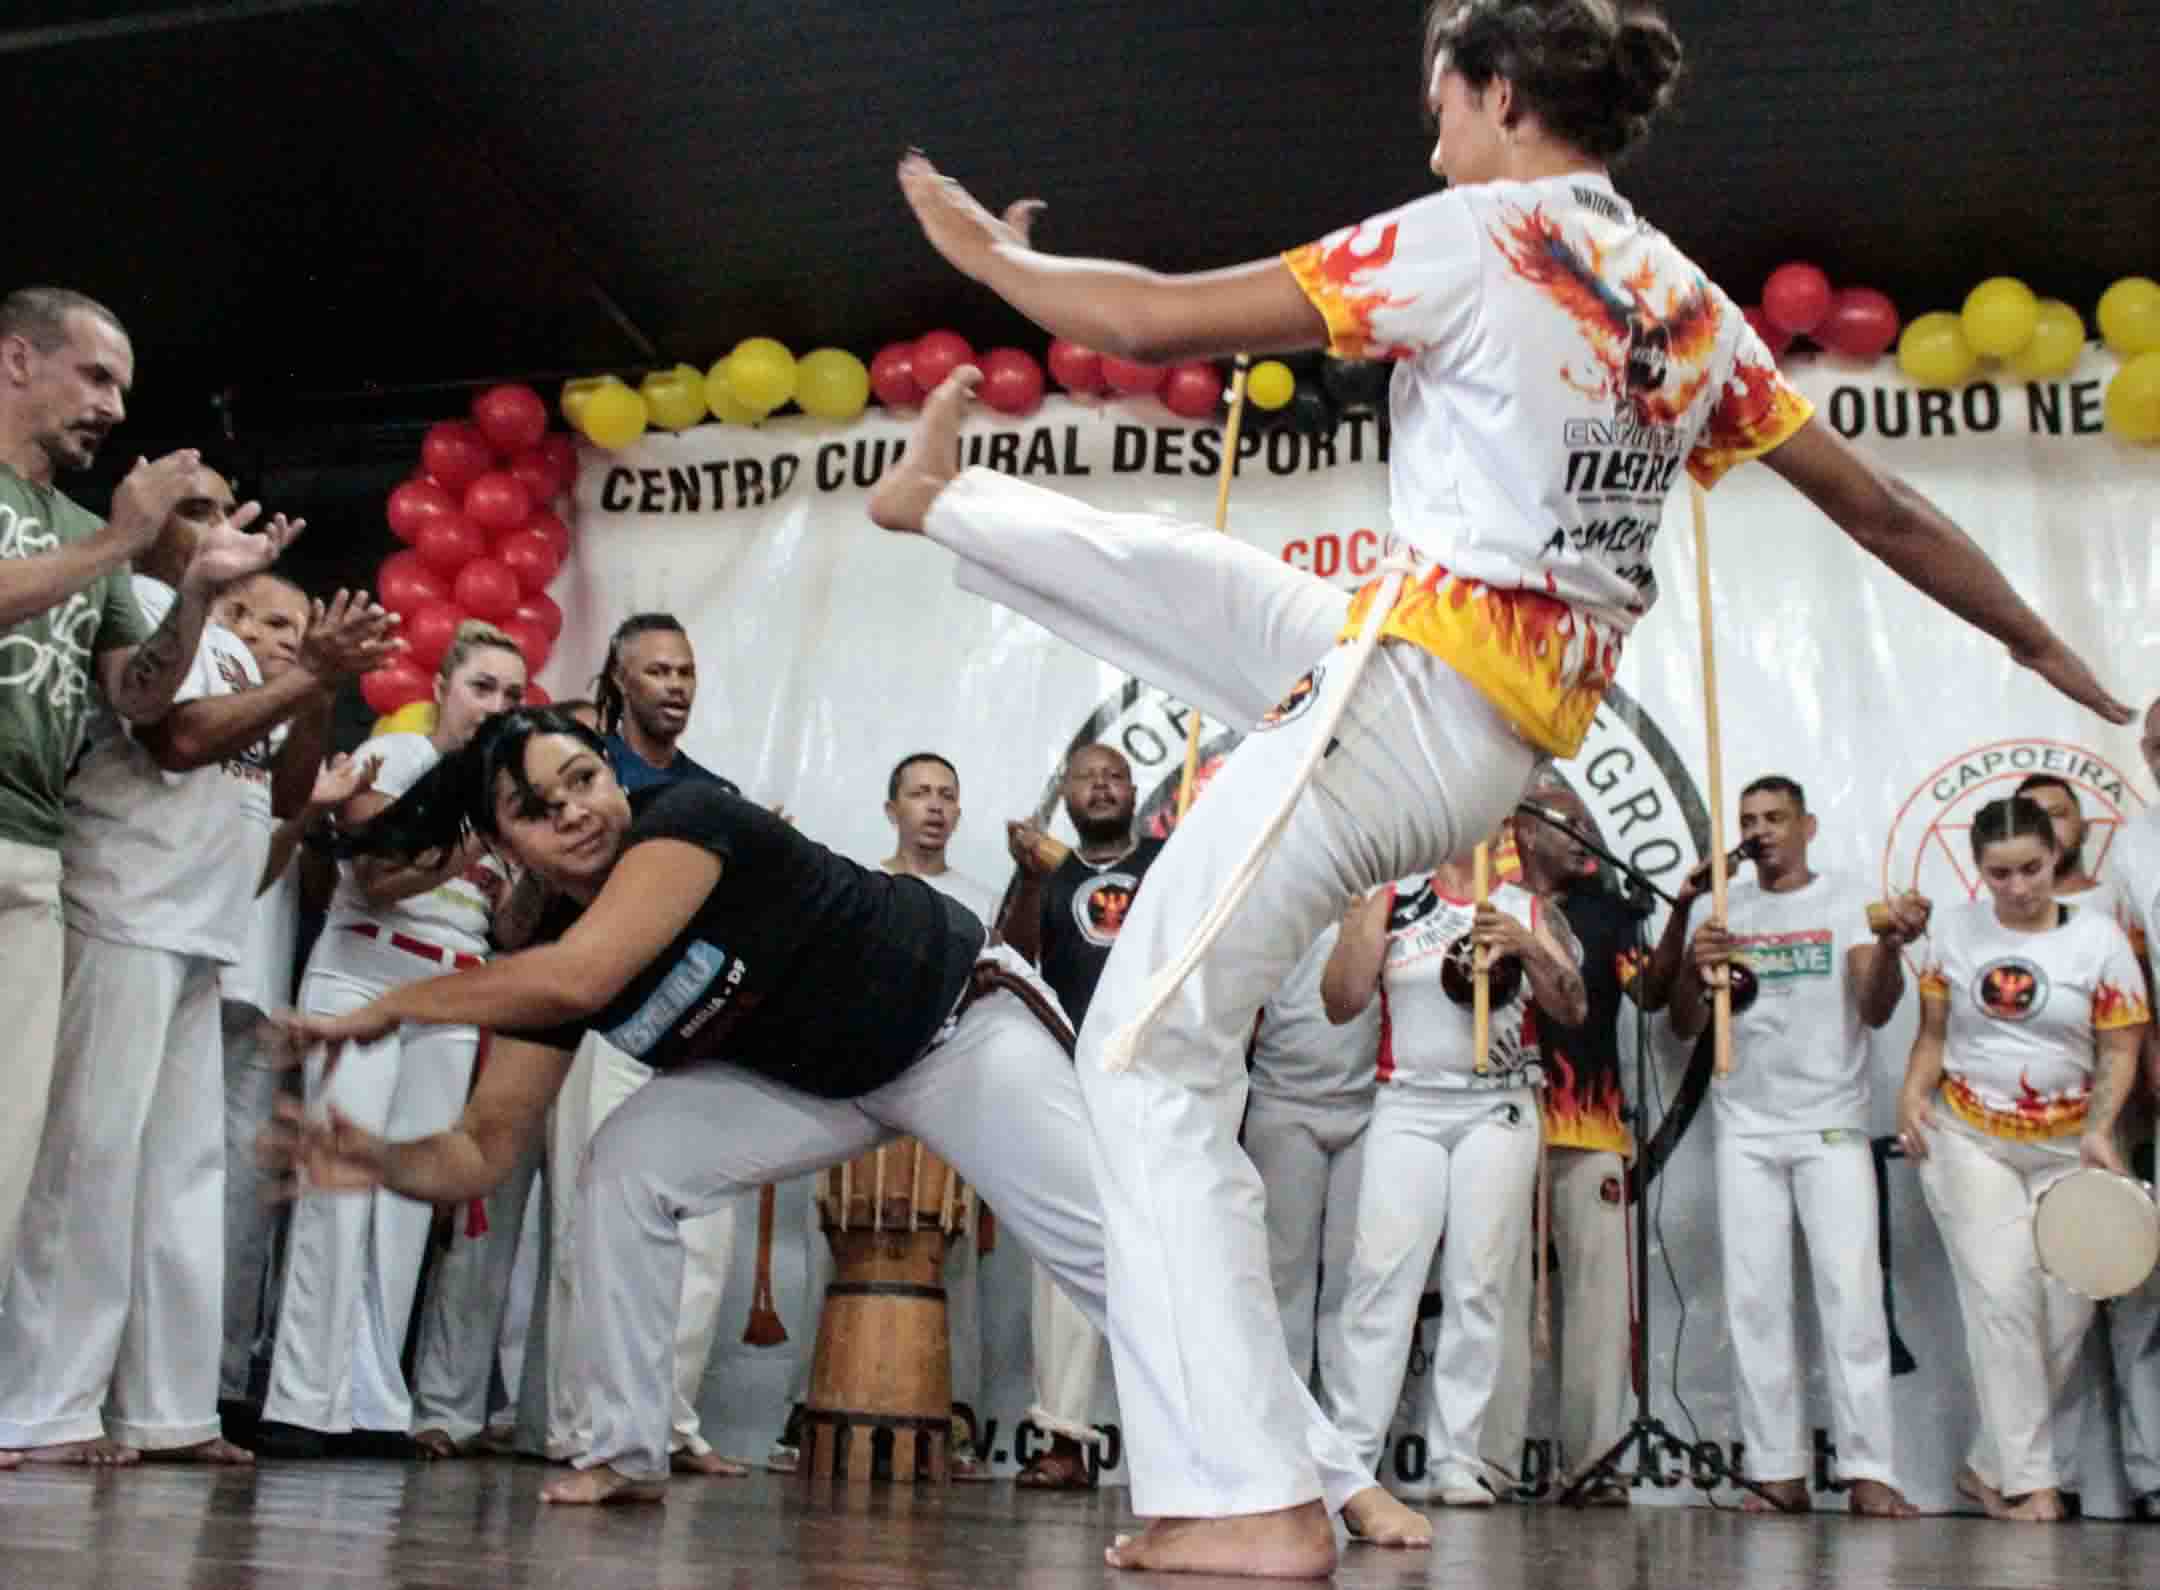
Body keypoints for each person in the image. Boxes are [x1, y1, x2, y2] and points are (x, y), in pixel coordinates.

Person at [874, 0, 2120, 1556]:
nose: (1429, 131)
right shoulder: (1688, 303)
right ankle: (947, 506)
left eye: (1437, 99)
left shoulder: (1479, 235)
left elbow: (1146, 324)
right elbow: (1890, 515)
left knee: (1144, 1055)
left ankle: (1248, 1495)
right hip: (1450, 685)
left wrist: (993, 263)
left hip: (1413, 705)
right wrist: (2056, 653)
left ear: (1501, 91)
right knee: (1234, 596)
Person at [261, 707, 1420, 1545]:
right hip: (806, 1080)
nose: (575, 809)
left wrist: (401, 1002)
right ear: (497, 840)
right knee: (626, 1163)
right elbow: (481, 1148)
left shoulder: (686, 818)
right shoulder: (534, 953)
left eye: (584, 778)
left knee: (1122, 1255)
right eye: (536, 806)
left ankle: (1330, 1477)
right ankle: (618, 1446)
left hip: (949, 1033)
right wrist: (375, 1161)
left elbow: (582, 977)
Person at [0, 470, 384, 1468]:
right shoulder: (143, 614)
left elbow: (293, 794)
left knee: (183, 1178)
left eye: (224, 507)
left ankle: (170, 1412)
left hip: (202, 928)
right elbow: (174, 741)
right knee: (91, 1165)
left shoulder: (241, 650)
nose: (219, 527)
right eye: (194, 510)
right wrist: (298, 674)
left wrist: (322, 682)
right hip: (120, 907)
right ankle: (45, 1406)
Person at [0, 288, 294, 1347]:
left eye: (121, 384)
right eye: (96, 376)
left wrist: (202, 597)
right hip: (77, 874)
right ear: (16, 359)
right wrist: (119, 544)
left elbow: (139, 700)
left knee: (15, 1146)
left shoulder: (91, 535)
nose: (115, 408)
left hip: (33, 850)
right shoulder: (101, 539)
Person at [256, 621, 527, 1456]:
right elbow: (375, 875)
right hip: (364, 975)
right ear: (445, 686)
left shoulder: (509, 792)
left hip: (450, 989)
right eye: (483, 686)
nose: (498, 706)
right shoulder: (402, 757)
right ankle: (304, 1402)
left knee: (408, 1207)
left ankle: (373, 1403)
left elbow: (507, 926)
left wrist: (527, 871)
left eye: (514, 695)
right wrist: (478, 838)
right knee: (338, 1189)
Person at [1670, 777, 1922, 1516]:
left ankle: (1870, 1470)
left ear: (1807, 824)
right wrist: (1693, 962)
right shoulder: (1725, 911)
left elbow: (1874, 1008)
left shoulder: (1843, 899)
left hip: (1831, 1122)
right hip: (1744, 1124)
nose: (1761, 831)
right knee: (1755, 1300)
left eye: (1776, 818)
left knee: (1851, 1297)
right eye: (1748, 821)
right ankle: (1777, 1468)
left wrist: (1888, 945)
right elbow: (1685, 1024)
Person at [1318, 817, 1586, 1509]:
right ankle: (1351, 1455)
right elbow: (1340, 1002)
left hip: (1497, 1105)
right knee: (1381, 1276)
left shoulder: (1526, 905)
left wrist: (1527, 947)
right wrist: (1361, 925)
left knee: (1478, 1282)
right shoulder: (1394, 895)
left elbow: (1573, 1007)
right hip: (1408, 1103)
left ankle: (1456, 1457)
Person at [1898, 795, 2149, 1522]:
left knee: (2064, 1317)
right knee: (2002, 1300)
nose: (2017, 887)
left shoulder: (2099, 939)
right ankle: (2028, 1483)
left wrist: (2102, 1128)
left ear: (2055, 857)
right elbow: (1933, 1035)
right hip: (1970, 1139)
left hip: (2072, 1144)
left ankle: (1985, 1464)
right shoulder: (1956, 931)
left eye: (2031, 869)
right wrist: (1912, 1094)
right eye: (1999, 874)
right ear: (1978, 869)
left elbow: (2122, 1044)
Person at [212, 573, 381, 1423]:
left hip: (261, 976)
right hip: (183, 954)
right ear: (227, 619)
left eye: (297, 626)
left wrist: (318, 818)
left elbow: (296, 876)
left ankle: (217, 1384)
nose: (289, 638)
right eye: (276, 622)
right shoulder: (198, 702)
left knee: (242, 1191)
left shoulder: (294, 727)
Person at [1002, 742, 1169, 1489]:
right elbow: (1010, 956)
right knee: (1066, 1253)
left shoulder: (1168, 861)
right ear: (1065, 795)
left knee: (1169, 1261)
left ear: (1135, 791)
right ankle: (1062, 1439)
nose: (1101, 786)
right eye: (1085, 778)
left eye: (1113, 777)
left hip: (1162, 1083)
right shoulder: (1046, 874)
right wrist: (1034, 873)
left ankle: (1173, 1448)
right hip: (1071, 1079)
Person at [1482, 777, 1635, 1502]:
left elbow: (1660, 999)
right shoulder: (1490, 908)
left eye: (1590, 822)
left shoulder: (1613, 913)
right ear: (1527, 834)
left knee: (1602, 1298)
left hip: (1593, 1115)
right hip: (1504, 1115)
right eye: (1570, 824)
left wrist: (1684, 922)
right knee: (1498, 1290)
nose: (1588, 834)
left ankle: (1599, 1459)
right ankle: (1487, 1461)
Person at [1242, 922, 1378, 1409]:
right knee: (1282, 1282)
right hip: (1283, 1097)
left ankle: (1352, 1444)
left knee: (1356, 1283)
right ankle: (1286, 1438)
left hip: (1370, 1105)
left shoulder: (1394, 879)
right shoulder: (1278, 872)